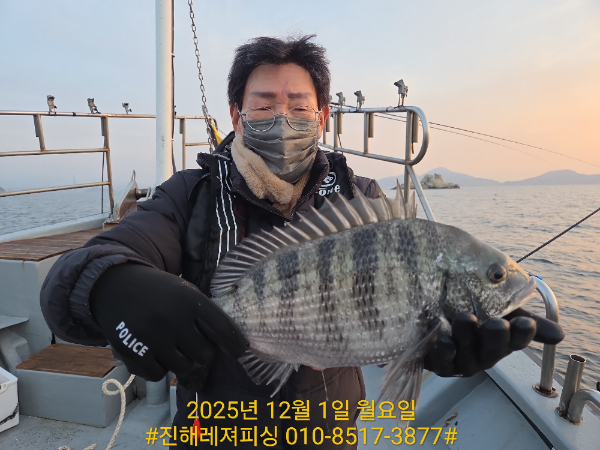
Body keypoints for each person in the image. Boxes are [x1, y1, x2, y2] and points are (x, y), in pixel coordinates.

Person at [40, 35, 563, 449]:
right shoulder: (191, 194)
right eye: (264, 105)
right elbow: (70, 283)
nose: (282, 118)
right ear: (236, 115)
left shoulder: (362, 197)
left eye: (299, 105)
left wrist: (430, 349)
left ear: (322, 116)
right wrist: (109, 284)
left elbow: (391, 325)